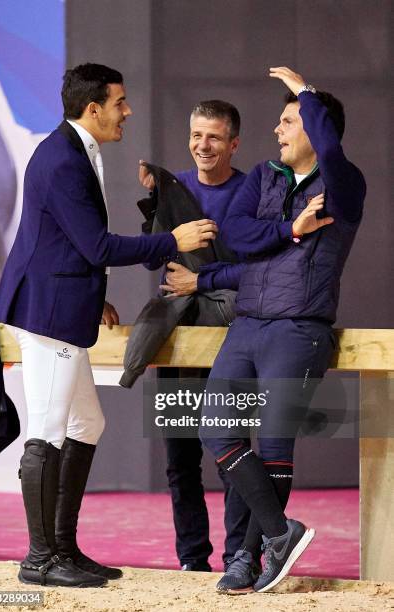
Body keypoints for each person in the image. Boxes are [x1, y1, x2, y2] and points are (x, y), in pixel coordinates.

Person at [0, 63, 217, 588]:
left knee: (86, 425)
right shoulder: (62, 160)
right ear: (93, 108)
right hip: (47, 314)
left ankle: (63, 549)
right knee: (46, 433)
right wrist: (173, 240)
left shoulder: (72, 150)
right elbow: (97, 245)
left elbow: (62, 241)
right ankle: (40, 559)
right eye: (120, 103)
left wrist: (93, 297)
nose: (128, 111)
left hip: (63, 303)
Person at [198, 66, 366, 594]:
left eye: (288, 120)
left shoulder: (344, 183)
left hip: (299, 330)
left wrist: (307, 93)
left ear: (315, 130)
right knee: (215, 430)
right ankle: (279, 532)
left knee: (273, 449)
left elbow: (332, 153)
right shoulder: (265, 176)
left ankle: (247, 561)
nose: (278, 130)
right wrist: (291, 229)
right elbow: (240, 235)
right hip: (247, 325)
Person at [138, 100, 250, 572]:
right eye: (196, 136)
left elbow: (262, 270)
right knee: (181, 456)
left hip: (232, 340)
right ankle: (191, 560)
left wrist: (199, 281)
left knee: (234, 453)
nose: (203, 146)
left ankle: (240, 556)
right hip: (179, 339)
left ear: (233, 144)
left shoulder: (253, 191)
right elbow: (150, 259)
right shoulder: (175, 186)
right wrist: (156, 203)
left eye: (214, 138)